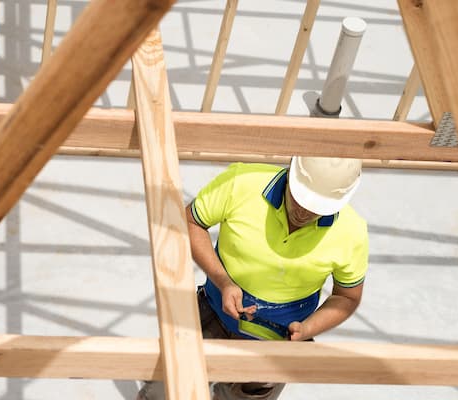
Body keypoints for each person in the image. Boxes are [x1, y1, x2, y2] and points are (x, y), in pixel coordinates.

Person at [137, 156, 369, 400]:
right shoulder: (243, 183)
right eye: (300, 200)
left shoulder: (351, 233)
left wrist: (308, 327)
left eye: (317, 208)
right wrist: (223, 281)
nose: (304, 212)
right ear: (291, 173)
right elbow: (191, 221)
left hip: (276, 346)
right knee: (165, 392)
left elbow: (347, 297)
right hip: (213, 317)